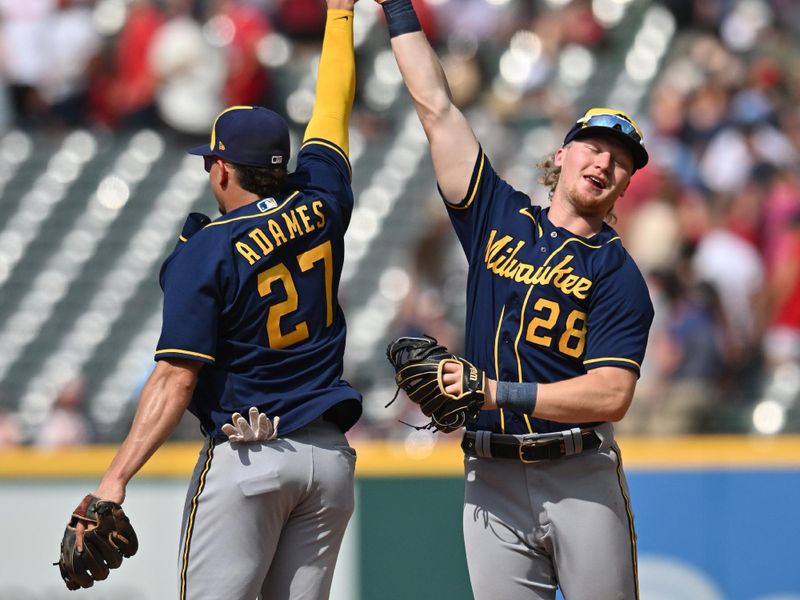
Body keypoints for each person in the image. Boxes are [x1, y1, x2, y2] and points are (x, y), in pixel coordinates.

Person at [63, 1, 361, 598]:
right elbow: (332, 108)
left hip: (250, 456)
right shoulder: (325, 200)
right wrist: (341, 14)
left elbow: (175, 378)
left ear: (223, 169)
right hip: (329, 462)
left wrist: (114, 480)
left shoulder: (208, 248)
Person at [375, 1, 655, 598]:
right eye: (593, 146)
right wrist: (397, 8)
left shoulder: (618, 273)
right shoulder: (497, 217)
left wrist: (498, 391)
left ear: (627, 184)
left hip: (579, 473)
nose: (604, 161)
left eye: (621, 160)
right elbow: (437, 109)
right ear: (560, 155)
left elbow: (613, 393)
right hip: (490, 474)